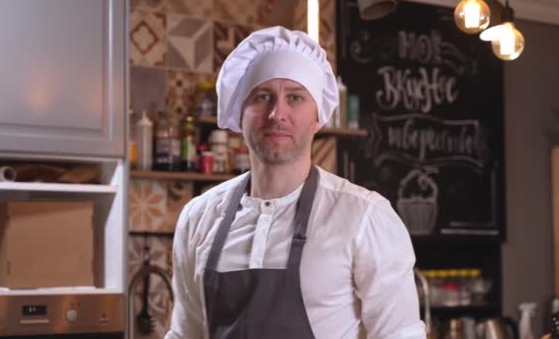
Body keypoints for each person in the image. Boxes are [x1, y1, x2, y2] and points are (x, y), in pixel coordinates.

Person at [165, 26, 425, 339]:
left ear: (318, 117)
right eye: (263, 96)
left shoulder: (364, 216)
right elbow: (185, 333)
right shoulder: (199, 217)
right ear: (240, 113)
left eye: (295, 97)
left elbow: (400, 334)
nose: (277, 113)